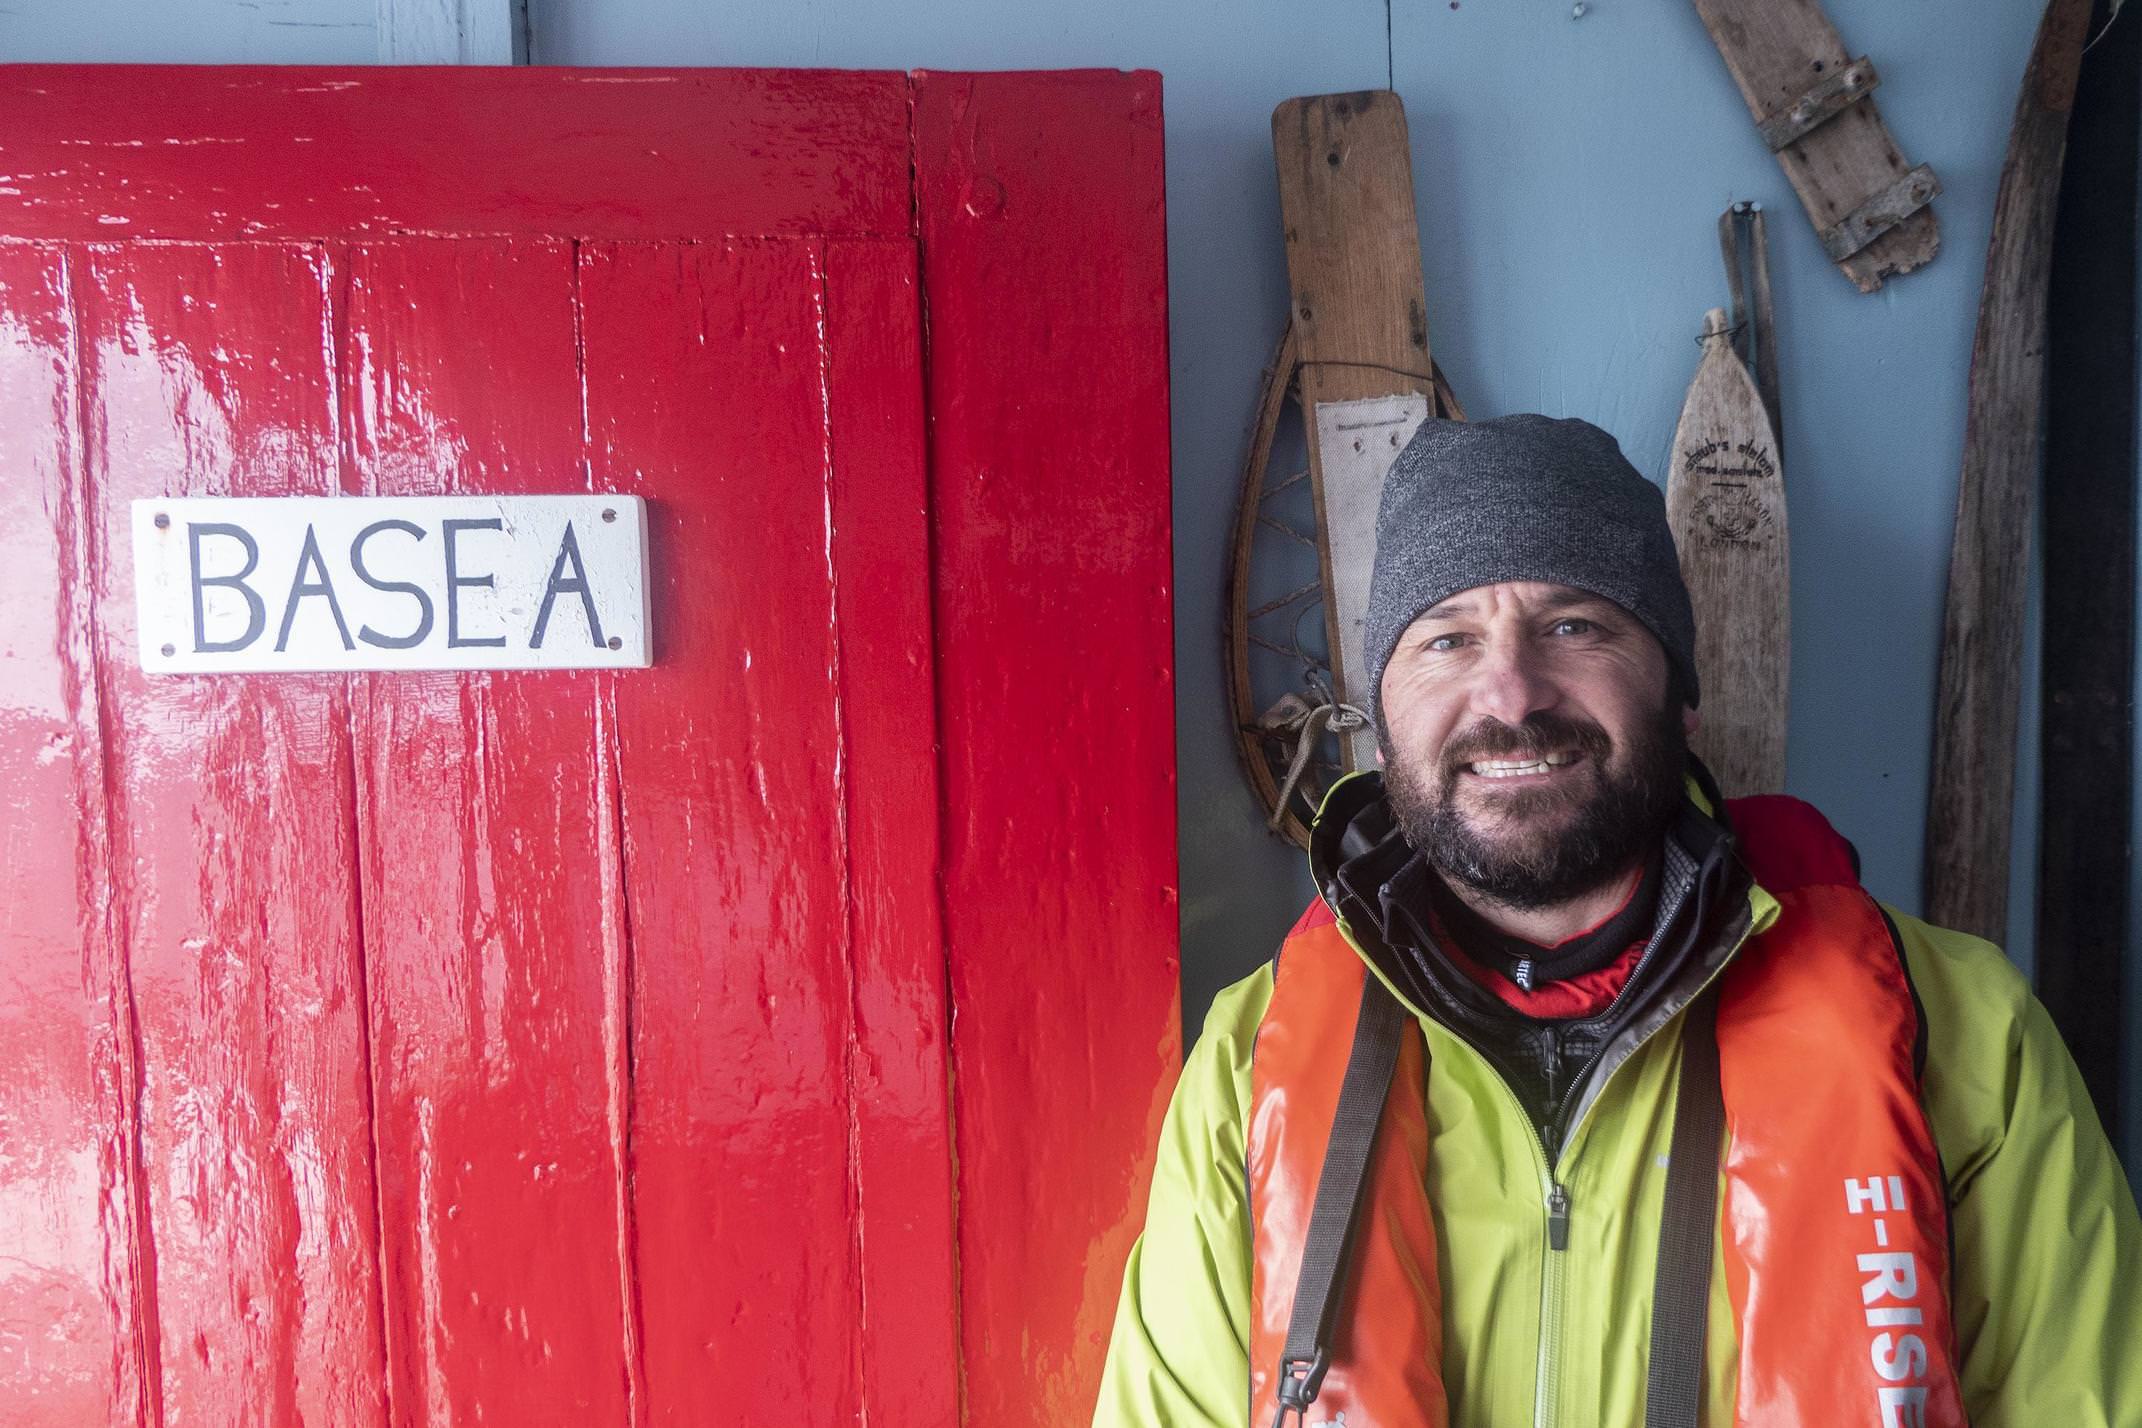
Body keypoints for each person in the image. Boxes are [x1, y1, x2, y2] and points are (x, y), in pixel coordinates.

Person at [1093, 414, 2141, 1427]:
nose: (1510, 692)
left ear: (1678, 691)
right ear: (1384, 714)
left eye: (1574, 626)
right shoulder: (1249, 1061)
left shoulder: (1963, 1034)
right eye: (1446, 639)